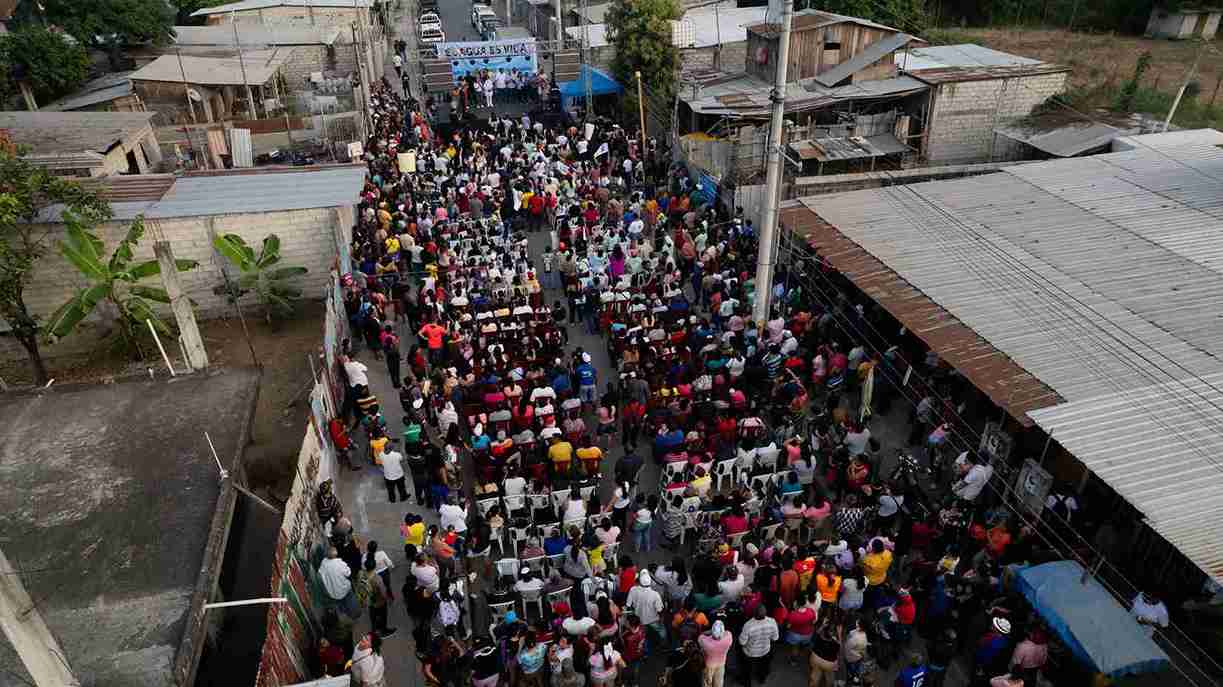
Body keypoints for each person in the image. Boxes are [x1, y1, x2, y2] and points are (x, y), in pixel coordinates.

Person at [739, 604, 779, 687]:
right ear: (766, 613)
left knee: (746, 668)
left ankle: (747, 682)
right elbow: (775, 638)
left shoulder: (748, 625)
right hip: (765, 650)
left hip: (750, 653)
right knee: (763, 666)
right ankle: (762, 678)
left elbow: (742, 642)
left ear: (754, 613)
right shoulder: (772, 622)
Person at [319, 546, 357, 617]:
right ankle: (353, 613)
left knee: (340, 604)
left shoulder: (323, 564)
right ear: (336, 554)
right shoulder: (340, 564)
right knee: (350, 601)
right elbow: (348, 573)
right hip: (344, 589)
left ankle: (344, 614)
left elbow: (321, 575)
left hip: (332, 592)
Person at [363, 558, 397, 636]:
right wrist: (387, 599)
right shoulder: (377, 579)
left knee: (372, 614)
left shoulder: (361, 574)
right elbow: (383, 592)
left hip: (368, 599)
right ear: (375, 567)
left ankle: (374, 629)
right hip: (378, 601)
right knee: (382, 615)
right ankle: (383, 631)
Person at [698, 619, 733, 687]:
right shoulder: (728, 637)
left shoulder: (705, 642)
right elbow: (727, 632)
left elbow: (700, 636)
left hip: (709, 665)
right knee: (719, 683)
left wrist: (710, 632)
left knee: (707, 683)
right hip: (721, 664)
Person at [809, 621, 840, 687]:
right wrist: (839, 633)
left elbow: (816, 633)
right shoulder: (836, 643)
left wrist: (823, 625)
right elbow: (840, 648)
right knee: (829, 678)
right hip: (828, 663)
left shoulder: (819, 638)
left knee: (815, 675)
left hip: (815, 658)